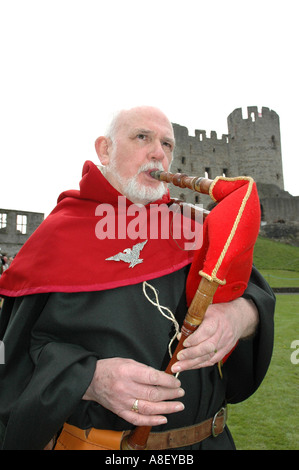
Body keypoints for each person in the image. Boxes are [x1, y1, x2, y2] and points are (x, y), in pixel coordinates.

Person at [0, 106, 275, 450]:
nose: (159, 153)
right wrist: (88, 379)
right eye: (142, 137)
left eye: (168, 145)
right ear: (105, 150)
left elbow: (254, 296)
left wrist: (239, 317)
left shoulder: (195, 228)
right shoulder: (56, 237)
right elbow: (13, 356)